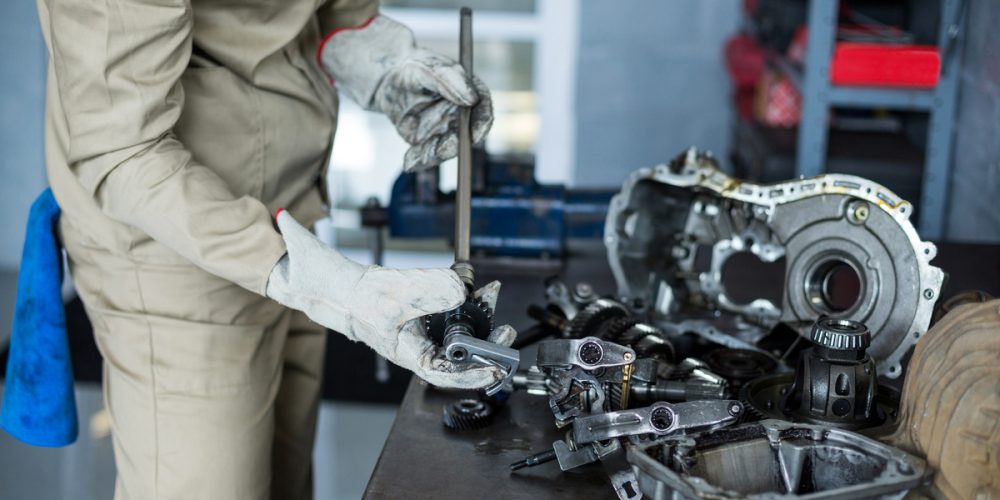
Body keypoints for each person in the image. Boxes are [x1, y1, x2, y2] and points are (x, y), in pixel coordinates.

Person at [36, 0, 513, 497]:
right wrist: (310, 278)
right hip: (174, 256)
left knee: (283, 480)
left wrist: (383, 64)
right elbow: (122, 150)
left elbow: (326, 12)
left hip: (293, 218)